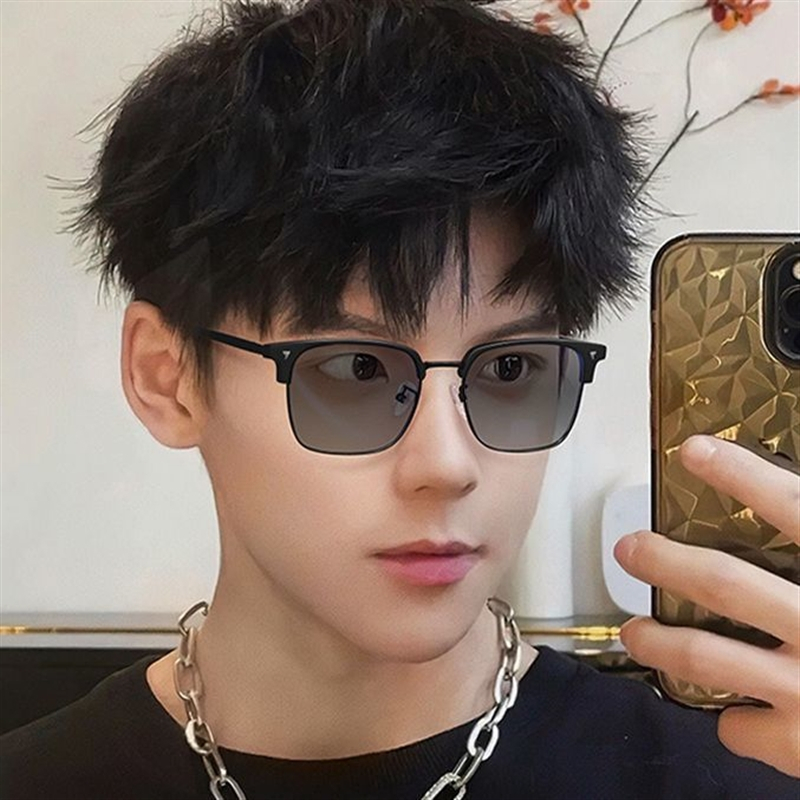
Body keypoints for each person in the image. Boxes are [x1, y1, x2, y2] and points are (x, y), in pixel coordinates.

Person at [1, 1, 798, 798]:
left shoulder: (727, 773)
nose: (447, 465)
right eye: (355, 371)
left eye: (511, 369)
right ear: (166, 377)